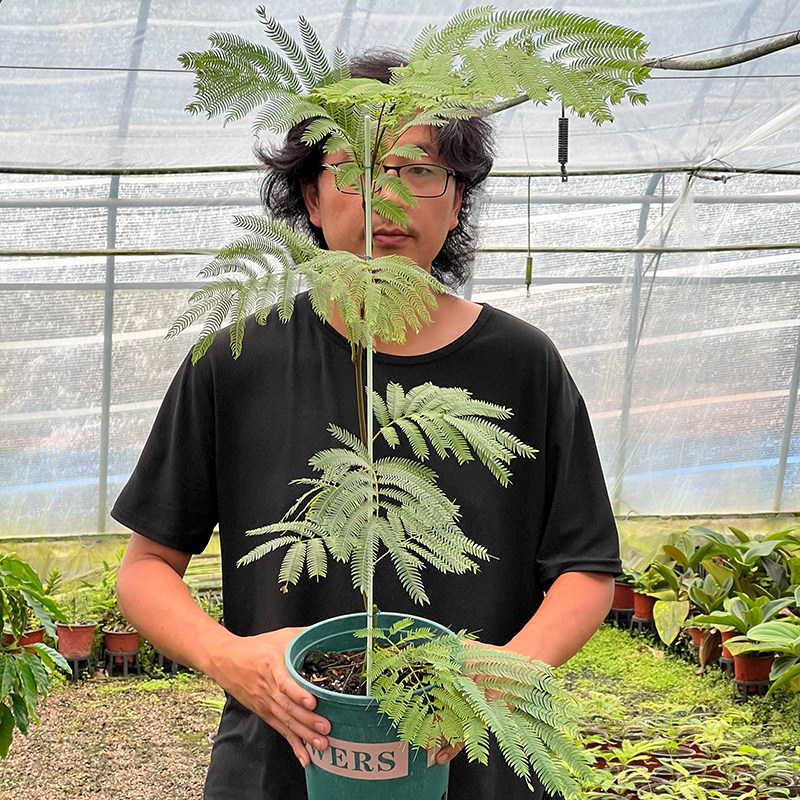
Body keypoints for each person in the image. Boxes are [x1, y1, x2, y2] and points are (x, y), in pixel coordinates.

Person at [113, 52, 621, 800]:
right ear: (311, 200)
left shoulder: (523, 363)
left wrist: (503, 676)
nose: (387, 196)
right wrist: (229, 658)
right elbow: (146, 567)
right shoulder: (235, 359)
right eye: (356, 168)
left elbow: (586, 568)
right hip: (279, 766)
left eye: (419, 169)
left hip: (478, 765)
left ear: (458, 202)